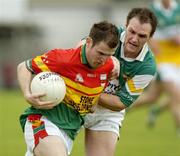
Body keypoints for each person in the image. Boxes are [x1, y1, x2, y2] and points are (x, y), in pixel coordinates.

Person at [17, 21, 120, 156]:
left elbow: (92, 105)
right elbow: (24, 67)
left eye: (109, 54)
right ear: (88, 42)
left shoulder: (109, 65)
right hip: (42, 121)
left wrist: (116, 63)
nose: (104, 59)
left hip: (69, 131)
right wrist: (27, 94)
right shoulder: (63, 59)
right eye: (100, 53)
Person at [84, 8, 158, 156]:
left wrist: (88, 92)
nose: (134, 39)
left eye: (142, 35)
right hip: (76, 100)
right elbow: (80, 49)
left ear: (150, 37)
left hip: (107, 112)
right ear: (125, 26)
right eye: (132, 31)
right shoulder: (110, 34)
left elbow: (120, 103)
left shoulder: (147, 66)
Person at [133, 0, 180, 133]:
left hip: (178, 59)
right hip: (163, 60)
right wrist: (155, 45)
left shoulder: (178, 7)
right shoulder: (153, 10)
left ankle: (124, 106)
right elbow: (147, 34)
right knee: (177, 96)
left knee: (152, 97)